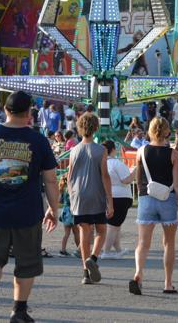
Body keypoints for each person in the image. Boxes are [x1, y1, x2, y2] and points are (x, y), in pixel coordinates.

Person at [0, 91, 59, 323]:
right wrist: (53, 209)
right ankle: (19, 310)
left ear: (5, 110)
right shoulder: (38, 140)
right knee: (26, 262)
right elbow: (50, 180)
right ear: (29, 114)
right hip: (27, 212)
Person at [129, 117, 178, 296]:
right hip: (167, 199)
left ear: (150, 131)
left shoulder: (141, 151)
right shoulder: (173, 154)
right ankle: (168, 283)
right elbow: (177, 184)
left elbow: (137, 177)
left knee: (143, 242)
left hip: (146, 198)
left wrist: (141, 193)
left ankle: (138, 273)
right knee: (169, 243)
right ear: (167, 132)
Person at [67, 113, 113, 285]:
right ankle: (93, 259)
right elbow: (105, 176)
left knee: (84, 232)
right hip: (96, 194)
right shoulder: (101, 150)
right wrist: (110, 201)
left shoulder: (73, 150)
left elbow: (70, 175)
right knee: (101, 230)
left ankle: (85, 274)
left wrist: (72, 196)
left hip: (79, 195)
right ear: (96, 128)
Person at [103, 140, 135, 260]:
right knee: (113, 225)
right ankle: (106, 251)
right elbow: (126, 180)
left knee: (115, 224)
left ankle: (118, 250)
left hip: (107, 195)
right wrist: (135, 172)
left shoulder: (101, 163)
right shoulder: (116, 163)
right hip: (121, 196)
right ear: (113, 150)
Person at [58, 175, 79, 258]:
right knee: (76, 232)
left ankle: (63, 250)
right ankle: (79, 249)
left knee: (66, 233)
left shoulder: (63, 189)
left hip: (65, 211)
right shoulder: (72, 188)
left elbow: (61, 201)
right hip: (72, 211)